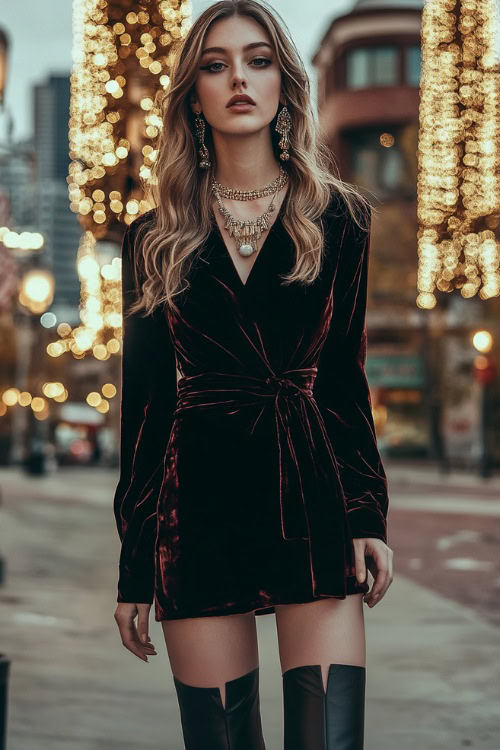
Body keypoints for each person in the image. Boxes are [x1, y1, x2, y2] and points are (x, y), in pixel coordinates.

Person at [113, 1, 393, 747]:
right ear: (193, 94)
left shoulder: (341, 218)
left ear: (284, 84)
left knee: (328, 739)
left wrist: (366, 516)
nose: (239, 77)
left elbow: (342, 379)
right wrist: (135, 563)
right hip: (194, 513)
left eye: (258, 59)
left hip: (311, 500)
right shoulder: (153, 237)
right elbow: (144, 406)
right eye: (215, 64)